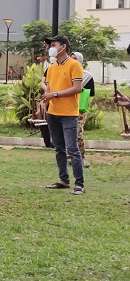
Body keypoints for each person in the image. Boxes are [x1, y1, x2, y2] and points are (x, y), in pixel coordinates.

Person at [41, 35, 84, 195]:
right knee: (59, 148)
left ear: (63, 46)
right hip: (53, 113)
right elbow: (49, 86)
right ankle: (64, 180)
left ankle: (79, 184)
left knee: (72, 149)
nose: (50, 47)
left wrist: (55, 94)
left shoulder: (74, 65)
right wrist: (47, 95)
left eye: (53, 44)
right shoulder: (51, 68)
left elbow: (77, 88)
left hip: (68, 114)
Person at [71, 52, 94, 168]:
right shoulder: (67, 73)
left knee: (78, 132)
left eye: (75, 59)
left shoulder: (87, 76)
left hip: (79, 108)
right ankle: (70, 156)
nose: (73, 61)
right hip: (66, 107)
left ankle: (82, 157)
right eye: (72, 59)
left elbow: (91, 93)